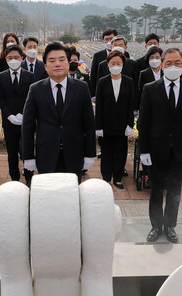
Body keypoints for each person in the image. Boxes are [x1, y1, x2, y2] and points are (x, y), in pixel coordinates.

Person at [138, 48, 182, 244]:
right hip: (156, 149)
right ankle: (156, 226)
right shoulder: (150, 88)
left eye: (178, 63)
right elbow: (144, 121)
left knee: (174, 190)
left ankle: (170, 226)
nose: (173, 67)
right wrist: (144, 150)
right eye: (169, 63)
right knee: (156, 189)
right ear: (162, 64)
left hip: (180, 150)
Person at [22, 42, 95, 180]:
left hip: (75, 152)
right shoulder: (36, 89)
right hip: (46, 153)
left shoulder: (82, 88)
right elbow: (27, 126)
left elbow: (89, 123)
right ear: (45, 66)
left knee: (72, 195)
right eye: (52, 60)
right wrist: (28, 156)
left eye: (62, 60)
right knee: (48, 195)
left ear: (68, 63)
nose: (57, 64)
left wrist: (90, 153)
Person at [94, 51, 135, 189]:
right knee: (106, 153)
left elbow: (130, 105)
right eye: (113, 63)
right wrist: (98, 126)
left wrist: (130, 124)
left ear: (123, 64)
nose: (115, 65)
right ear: (108, 64)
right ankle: (106, 178)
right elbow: (99, 105)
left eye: (118, 63)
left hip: (122, 125)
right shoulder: (102, 81)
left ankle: (117, 178)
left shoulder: (129, 82)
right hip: (106, 125)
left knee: (120, 153)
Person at [0, 45, 35, 182]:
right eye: (10, 58)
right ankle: (15, 178)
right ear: (5, 59)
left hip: (26, 120)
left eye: (16, 57)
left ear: (22, 58)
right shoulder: (0, 77)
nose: (13, 60)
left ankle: (29, 177)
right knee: (12, 152)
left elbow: (32, 98)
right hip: (9, 120)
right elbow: (0, 98)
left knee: (27, 150)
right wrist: (10, 115)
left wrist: (25, 115)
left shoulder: (30, 76)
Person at [95, 36, 140, 102]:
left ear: (125, 48)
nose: (118, 47)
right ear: (111, 47)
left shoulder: (133, 64)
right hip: (107, 101)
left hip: (126, 101)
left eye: (121, 45)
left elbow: (135, 86)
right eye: (115, 45)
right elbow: (99, 87)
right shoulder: (103, 65)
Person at [89, 27, 118, 99]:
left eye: (111, 39)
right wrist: (93, 94)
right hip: (103, 91)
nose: (108, 41)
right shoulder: (98, 56)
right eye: (106, 39)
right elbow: (93, 76)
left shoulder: (124, 54)